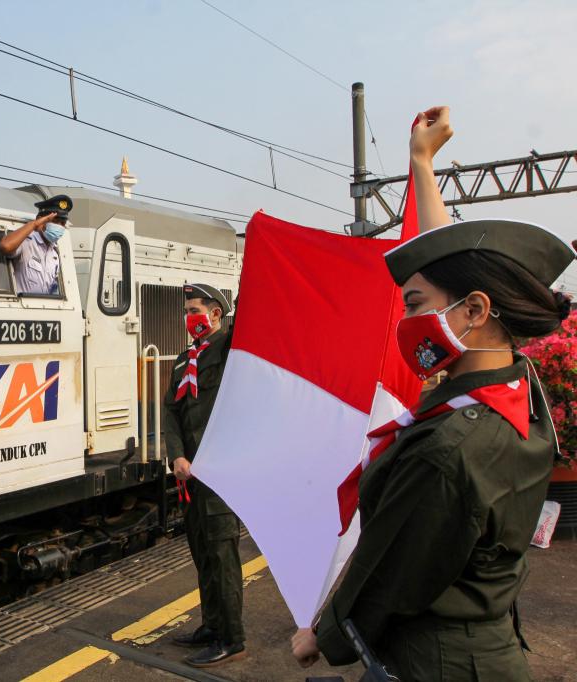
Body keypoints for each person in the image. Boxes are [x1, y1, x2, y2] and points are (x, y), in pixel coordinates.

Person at [291, 106, 576, 680]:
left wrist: (322, 636)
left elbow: (389, 573)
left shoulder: (450, 448)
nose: (407, 322)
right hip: (485, 648)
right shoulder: (514, 387)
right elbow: (453, 269)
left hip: (436, 662)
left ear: (475, 311)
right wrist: (422, 162)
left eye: (415, 305)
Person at [163, 284, 247, 668]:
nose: (188, 317)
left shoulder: (230, 349)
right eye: (186, 311)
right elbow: (171, 412)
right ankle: (212, 626)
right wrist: (177, 456)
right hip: (191, 475)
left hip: (220, 473)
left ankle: (232, 638)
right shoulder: (184, 361)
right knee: (203, 553)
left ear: (215, 313)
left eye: (194, 309)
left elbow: (249, 322)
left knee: (222, 555)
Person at [0, 194, 72, 295]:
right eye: (55, 221)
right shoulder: (26, 242)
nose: (59, 227)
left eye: (63, 223)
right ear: (40, 220)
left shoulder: (54, 254)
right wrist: (34, 224)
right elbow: (5, 246)